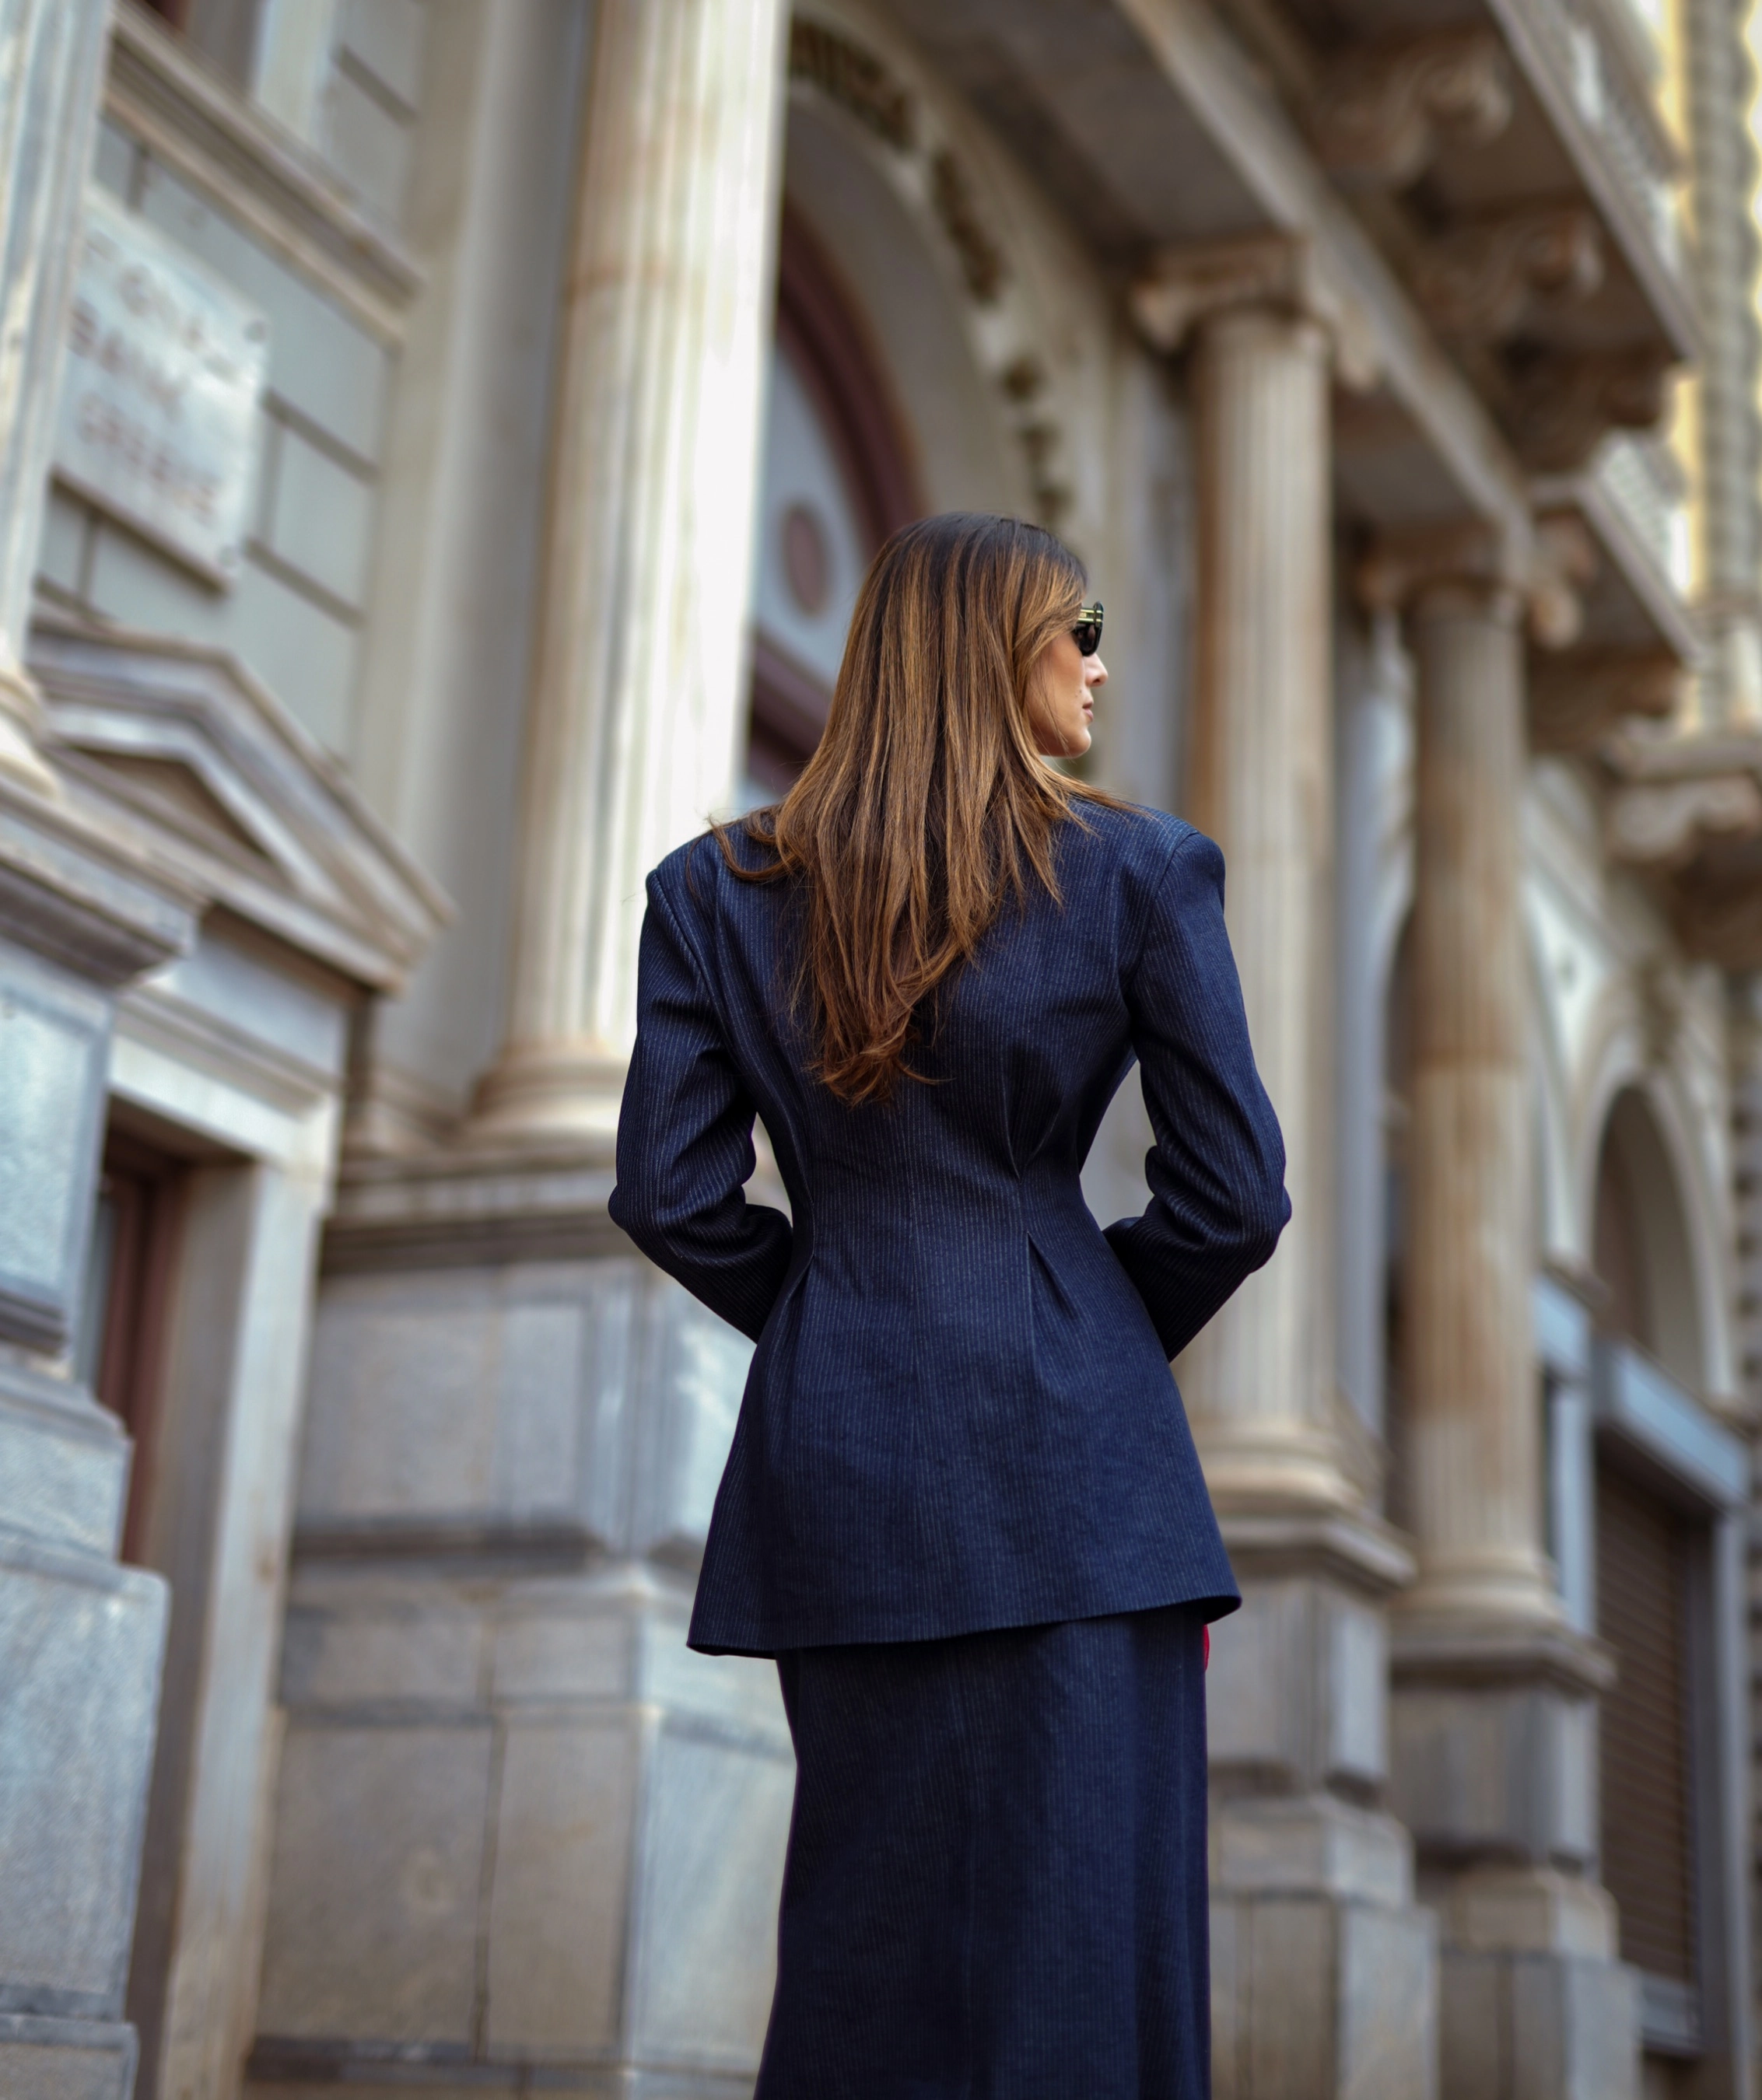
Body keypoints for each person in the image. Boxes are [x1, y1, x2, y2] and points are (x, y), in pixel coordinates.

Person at [610, 511, 1287, 2098]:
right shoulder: (1136, 869)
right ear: (1001, 650)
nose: (1103, 666)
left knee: (867, 1940)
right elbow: (1233, 1196)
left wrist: (838, 1318)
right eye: (1083, 629)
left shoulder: (713, 891)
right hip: (1086, 1483)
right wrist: (1093, 1337)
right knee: (1085, 1948)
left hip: (842, 1463)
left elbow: (670, 1195)